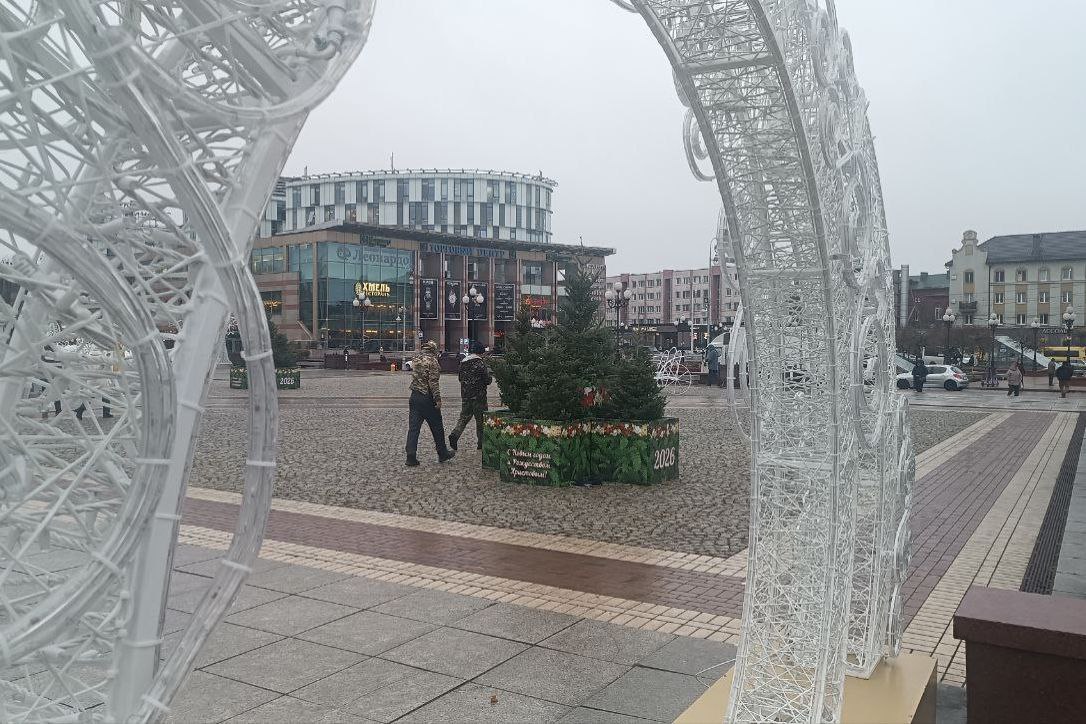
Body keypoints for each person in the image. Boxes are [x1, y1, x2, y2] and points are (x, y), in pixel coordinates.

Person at [405, 340, 455, 466]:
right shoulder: (432, 361)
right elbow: (433, 382)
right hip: (427, 397)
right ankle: (442, 453)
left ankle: (410, 455)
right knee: (437, 426)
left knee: (413, 428)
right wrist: (437, 399)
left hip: (414, 396)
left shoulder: (416, 359)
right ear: (433, 350)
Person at [449, 341, 492, 451]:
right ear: (480, 352)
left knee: (463, 418)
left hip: (466, 396)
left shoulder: (463, 363)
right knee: (481, 420)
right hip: (479, 397)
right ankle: (481, 443)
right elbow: (487, 380)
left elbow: (460, 378)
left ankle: (455, 434)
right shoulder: (480, 363)